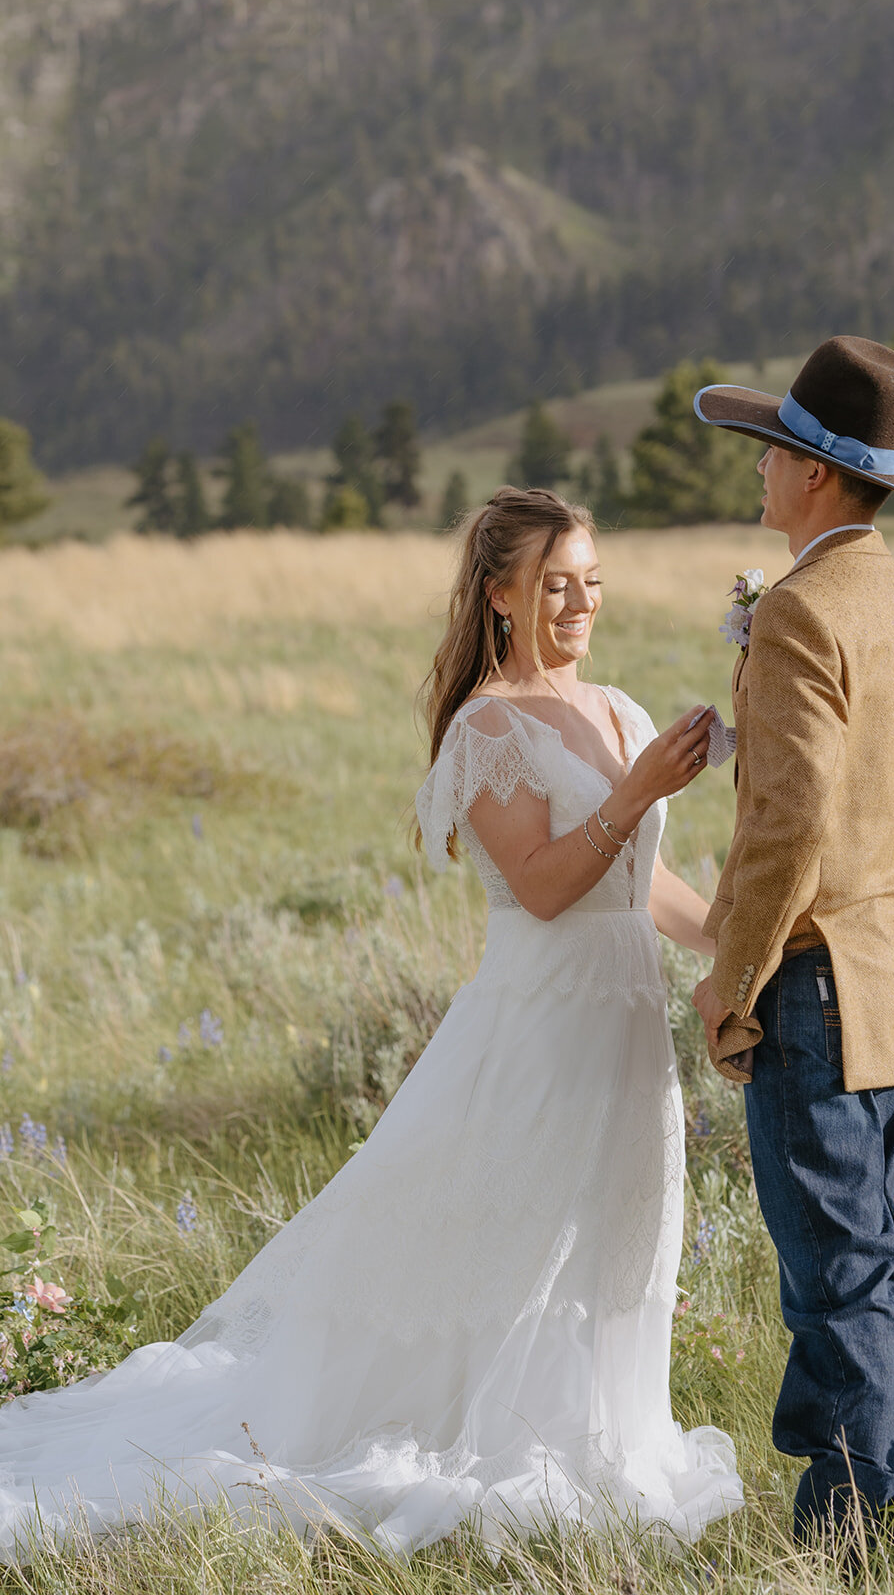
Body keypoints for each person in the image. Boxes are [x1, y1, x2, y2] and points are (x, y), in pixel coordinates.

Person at [0, 485, 743, 1563]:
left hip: (624, 1026)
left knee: (611, 1234)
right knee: (510, 1232)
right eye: (553, 584)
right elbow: (539, 886)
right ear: (498, 594)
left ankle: (592, 1436)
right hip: (535, 1028)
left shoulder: (623, 710)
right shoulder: (488, 726)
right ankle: (482, 1434)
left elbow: (645, 884)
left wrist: (738, 937)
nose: (578, 603)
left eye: (591, 582)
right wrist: (631, 791)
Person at [690, 337, 894, 1549]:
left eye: (770, 451)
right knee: (856, 1264)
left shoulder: (803, 610)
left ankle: (876, 1529)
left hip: (812, 991)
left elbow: (789, 821)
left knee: (837, 1274)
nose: (757, 471)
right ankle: (857, 1513)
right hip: (891, 992)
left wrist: (735, 980)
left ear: (814, 474)